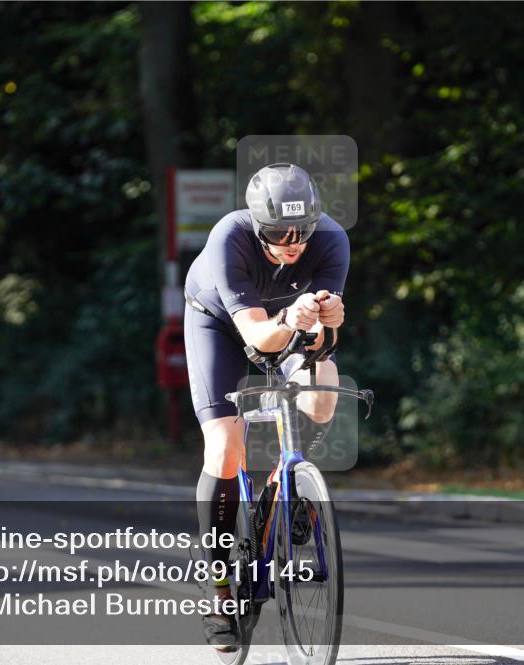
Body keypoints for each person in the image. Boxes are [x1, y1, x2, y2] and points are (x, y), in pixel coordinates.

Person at [183, 162, 349, 650]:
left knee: (322, 397)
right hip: (222, 325)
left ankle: (291, 480)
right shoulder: (228, 238)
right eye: (278, 232)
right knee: (224, 450)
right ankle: (217, 591)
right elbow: (257, 336)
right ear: (258, 225)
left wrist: (330, 322)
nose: (292, 242)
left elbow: (322, 340)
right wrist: (289, 316)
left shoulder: (333, 239)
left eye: (302, 231)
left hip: (289, 322)